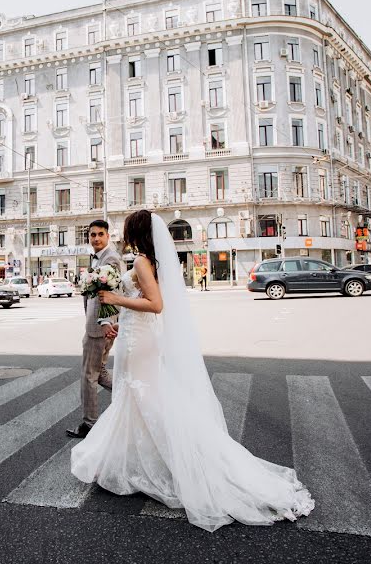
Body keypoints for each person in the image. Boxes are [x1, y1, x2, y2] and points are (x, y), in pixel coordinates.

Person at [70, 210, 314, 532]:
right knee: (133, 399)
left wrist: (115, 298)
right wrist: (117, 321)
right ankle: (132, 463)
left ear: (136, 231)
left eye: (127, 227)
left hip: (140, 342)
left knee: (145, 398)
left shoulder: (142, 263)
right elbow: (140, 301)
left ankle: (176, 462)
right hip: (133, 335)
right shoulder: (145, 260)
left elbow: (156, 305)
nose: (123, 232)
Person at [66, 219, 125, 439]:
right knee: (99, 373)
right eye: (92, 235)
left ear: (108, 236)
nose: (96, 238)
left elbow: (111, 294)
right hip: (100, 324)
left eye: (101, 234)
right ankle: (129, 394)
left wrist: (104, 323)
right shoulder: (99, 258)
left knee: (88, 376)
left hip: (100, 326)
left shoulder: (110, 259)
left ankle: (90, 424)